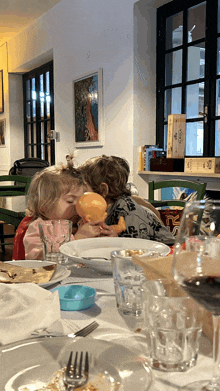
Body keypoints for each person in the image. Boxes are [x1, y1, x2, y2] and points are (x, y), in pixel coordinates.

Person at [14, 156, 115, 260]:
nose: (77, 205)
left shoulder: (81, 223)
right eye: (70, 201)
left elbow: (97, 251)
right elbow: (37, 258)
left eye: (81, 200)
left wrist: (108, 239)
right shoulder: (38, 227)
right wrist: (76, 239)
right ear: (43, 206)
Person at [78, 155, 175, 244]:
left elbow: (134, 252)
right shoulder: (99, 210)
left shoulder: (128, 212)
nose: (80, 196)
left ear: (103, 190)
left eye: (85, 191)